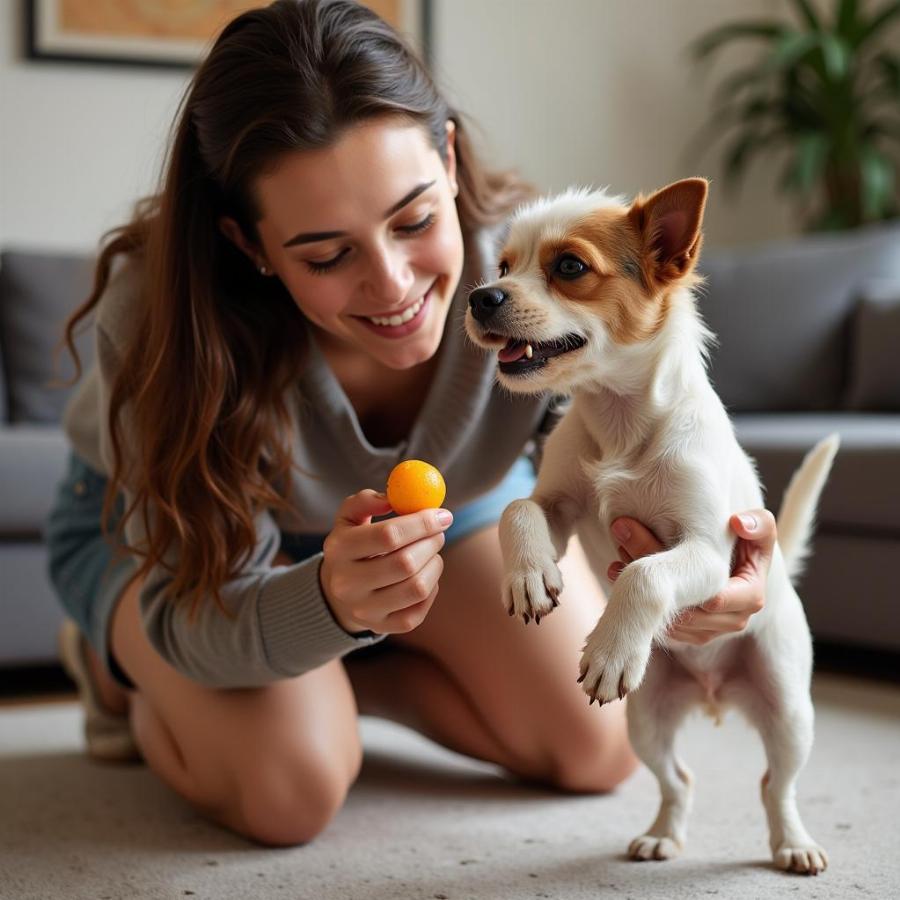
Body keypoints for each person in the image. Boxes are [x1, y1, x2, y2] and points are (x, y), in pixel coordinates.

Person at [47, 0, 776, 848]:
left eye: (416, 220)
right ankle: (121, 673)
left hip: (441, 516)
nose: (392, 286)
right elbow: (195, 608)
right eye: (326, 255)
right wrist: (324, 599)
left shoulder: (530, 275)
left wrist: (719, 568)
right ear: (249, 243)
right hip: (178, 539)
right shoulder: (160, 314)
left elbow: (637, 453)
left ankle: (346, 681)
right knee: (289, 790)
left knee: (597, 744)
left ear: (449, 157)